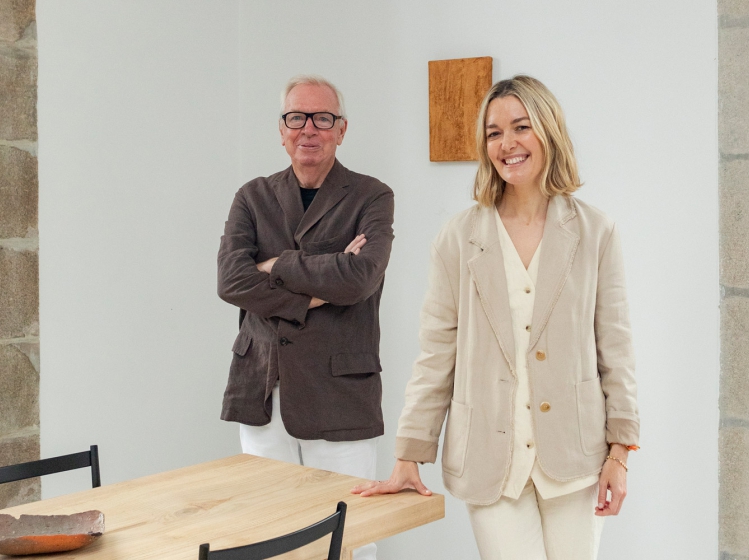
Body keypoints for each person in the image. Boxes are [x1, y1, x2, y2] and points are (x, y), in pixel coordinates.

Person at [352, 75, 639, 560]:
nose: (508, 144)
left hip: (575, 456)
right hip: (488, 456)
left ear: (548, 131)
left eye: (521, 127)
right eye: (494, 132)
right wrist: (410, 452)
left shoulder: (595, 232)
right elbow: (436, 353)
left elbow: (616, 348)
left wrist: (620, 453)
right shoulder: (458, 237)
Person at [217, 75, 393, 560]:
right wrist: (316, 292)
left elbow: (359, 279)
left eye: (323, 118)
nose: (308, 128)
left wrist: (275, 266)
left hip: (339, 394)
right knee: (269, 532)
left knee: (353, 534)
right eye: (297, 117)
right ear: (282, 129)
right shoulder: (252, 197)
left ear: (342, 129)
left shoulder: (371, 197)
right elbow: (231, 282)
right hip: (261, 388)